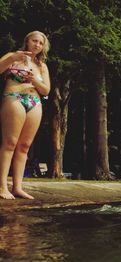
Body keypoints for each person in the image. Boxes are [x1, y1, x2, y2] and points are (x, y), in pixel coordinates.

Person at [0, 31, 50, 200]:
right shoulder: (13, 56)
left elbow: (46, 90)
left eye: (41, 43)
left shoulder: (42, 65)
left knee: (24, 147)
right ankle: (2, 187)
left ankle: (17, 187)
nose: (37, 45)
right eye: (34, 41)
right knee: (10, 143)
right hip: (13, 98)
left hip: (35, 102)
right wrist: (13, 58)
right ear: (27, 41)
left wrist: (34, 80)